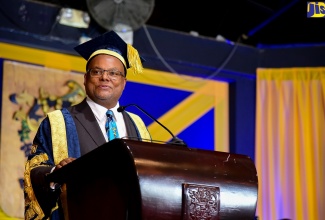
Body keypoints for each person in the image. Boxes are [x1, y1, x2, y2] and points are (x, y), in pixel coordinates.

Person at [24, 31, 151, 220]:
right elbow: (34, 171)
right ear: (85, 78)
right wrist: (55, 174)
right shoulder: (58, 122)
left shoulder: (138, 124)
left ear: (124, 82)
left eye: (114, 73)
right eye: (97, 71)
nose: (105, 78)